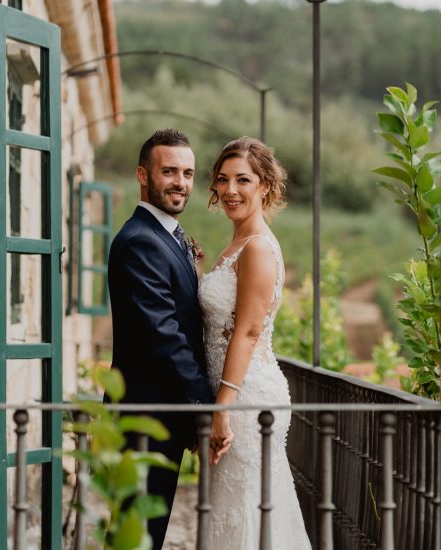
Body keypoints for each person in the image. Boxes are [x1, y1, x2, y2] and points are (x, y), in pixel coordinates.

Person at [198, 137, 311, 549]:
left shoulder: (259, 248)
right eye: (222, 180)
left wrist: (222, 408)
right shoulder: (235, 246)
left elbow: (247, 331)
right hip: (231, 393)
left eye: (242, 180)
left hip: (245, 400)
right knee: (234, 513)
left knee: (247, 511)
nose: (230, 191)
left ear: (265, 185)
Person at [108, 128, 215, 549]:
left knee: (144, 534)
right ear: (142, 174)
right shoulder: (139, 241)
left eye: (187, 173)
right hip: (146, 417)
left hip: (161, 416)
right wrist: (202, 405)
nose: (180, 182)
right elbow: (164, 333)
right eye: (169, 171)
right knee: (134, 537)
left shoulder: (168, 236)